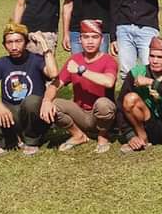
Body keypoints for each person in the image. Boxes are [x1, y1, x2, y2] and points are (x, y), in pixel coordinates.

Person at [0, 22, 58, 156]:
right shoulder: (2, 63)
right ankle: (8, 140)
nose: (14, 47)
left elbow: (53, 74)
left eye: (18, 41)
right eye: (9, 42)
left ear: (26, 42)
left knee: (31, 101)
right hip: (11, 114)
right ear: (4, 45)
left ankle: (32, 140)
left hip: (34, 115)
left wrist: (44, 45)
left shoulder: (36, 59)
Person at [40, 19, 119, 153]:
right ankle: (78, 135)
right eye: (86, 37)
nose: (90, 41)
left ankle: (102, 136)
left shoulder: (108, 60)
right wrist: (46, 101)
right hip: (80, 113)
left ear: (101, 40)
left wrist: (81, 70)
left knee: (103, 104)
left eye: (94, 37)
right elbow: (55, 85)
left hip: (100, 114)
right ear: (80, 39)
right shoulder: (74, 60)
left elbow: (109, 82)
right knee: (54, 105)